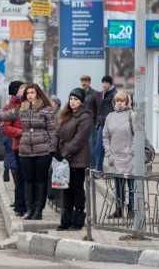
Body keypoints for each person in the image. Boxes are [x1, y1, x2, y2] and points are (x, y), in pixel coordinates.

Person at [0, 84, 57, 220]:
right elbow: (4, 115)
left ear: (38, 94)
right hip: (25, 150)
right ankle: (30, 209)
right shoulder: (21, 109)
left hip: (42, 151)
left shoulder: (46, 110)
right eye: (27, 93)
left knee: (39, 181)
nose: (29, 95)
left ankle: (38, 210)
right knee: (28, 181)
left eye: (32, 92)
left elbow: (53, 131)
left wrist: (52, 149)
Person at [55, 88, 93, 231]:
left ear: (82, 101)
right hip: (65, 160)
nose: (72, 102)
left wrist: (64, 152)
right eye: (71, 98)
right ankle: (66, 220)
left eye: (76, 99)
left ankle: (78, 220)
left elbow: (79, 140)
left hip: (78, 160)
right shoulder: (67, 115)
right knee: (66, 190)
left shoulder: (85, 117)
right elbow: (60, 134)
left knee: (77, 190)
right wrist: (56, 151)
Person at [103, 91, 135, 218]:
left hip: (129, 156)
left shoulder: (132, 115)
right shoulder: (110, 117)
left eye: (122, 100)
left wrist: (132, 151)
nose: (119, 103)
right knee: (118, 184)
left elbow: (137, 135)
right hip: (115, 156)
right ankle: (119, 209)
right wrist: (109, 153)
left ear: (127, 101)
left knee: (131, 184)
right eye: (117, 101)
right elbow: (105, 137)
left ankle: (132, 209)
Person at [0, 81, 27, 217]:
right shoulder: (9, 107)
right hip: (14, 146)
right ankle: (20, 204)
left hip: (29, 146)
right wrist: (20, 133)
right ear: (16, 90)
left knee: (27, 177)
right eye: (22, 87)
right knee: (18, 177)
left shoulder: (29, 104)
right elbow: (3, 128)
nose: (25, 89)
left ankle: (26, 203)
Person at [94, 75, 117, 171]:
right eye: (103, 82)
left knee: (113, 149)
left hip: (112, 125)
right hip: (102, 125)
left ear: (110, 84)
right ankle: (98, 169)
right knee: (99, 148)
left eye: (106, 83)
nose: (104, 84)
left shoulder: (114, 94)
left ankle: (114, 170)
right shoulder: (102, 93)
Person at [80, 74, 100, 166]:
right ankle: (85, 164)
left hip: (91, 122)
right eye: (82, 81)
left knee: (91, 143)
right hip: (80, 123)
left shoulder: (95, 93)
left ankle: (93, 165)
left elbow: (98, 109)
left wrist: (96, 123)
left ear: (89, 82)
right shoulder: (79, 93)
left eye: (86, 81)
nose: (84, 83)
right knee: (82, 144)